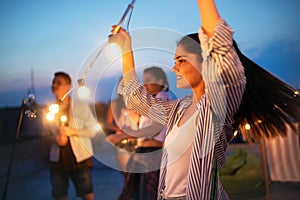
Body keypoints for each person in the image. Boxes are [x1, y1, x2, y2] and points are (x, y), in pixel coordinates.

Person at [109, 0, 300, 199]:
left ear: (205, 62)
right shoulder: (179, 109)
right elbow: (137, 100)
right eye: (175, 61)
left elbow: (219, 47)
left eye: (181, 60)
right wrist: (126, 48)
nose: (174, 68)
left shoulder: (217, 106)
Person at [116, 66, 171, 200]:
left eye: (148, 80)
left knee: (146, 193)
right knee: (142, 191)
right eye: (144, 81)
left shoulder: (162, 98)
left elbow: (155, 128)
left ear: (160, 81)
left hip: (153, 150)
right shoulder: (153, 100)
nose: (145, 85)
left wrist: (125, 135)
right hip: (146, 149)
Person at [44, 72, 99, 200]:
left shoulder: (80, 106)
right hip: (57, 160)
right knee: (60, 195)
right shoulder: (50, 109)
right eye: (53, 82)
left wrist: (72, 131)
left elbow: (93, 130)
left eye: (59, 82)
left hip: (79, 160)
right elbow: (45, 132)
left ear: (68, 86)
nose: (54, 85)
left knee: (87, 195)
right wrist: (55, 138)